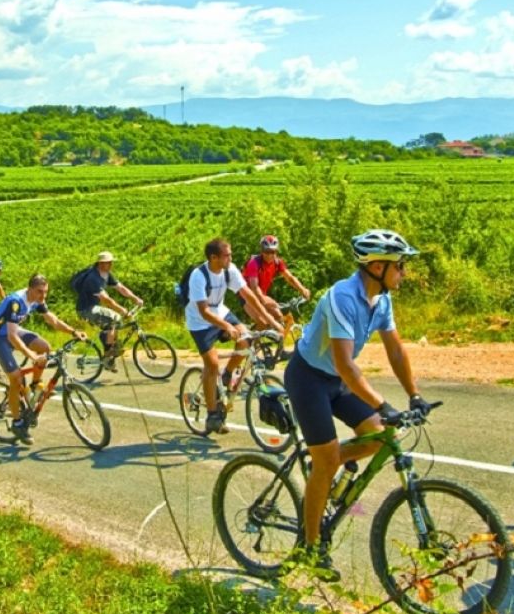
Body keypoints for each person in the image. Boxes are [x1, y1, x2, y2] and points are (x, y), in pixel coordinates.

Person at [282, 229, 430, 580]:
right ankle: (311, 546)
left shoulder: (381, 298)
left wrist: (414, 394)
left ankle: (328, 465)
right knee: (328, 459)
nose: (404, 273)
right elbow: (347, 366)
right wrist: (383, 403)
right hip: (308, 379)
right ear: (377, 266)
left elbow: (395, 349)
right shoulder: (342, 298)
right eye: (400, 266)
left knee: (380, 436)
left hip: (336, 381)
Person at [184, 237, 281, 435]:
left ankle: (228, 374)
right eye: (227, 255)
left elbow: (248, 294)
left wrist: (271, 320)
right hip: (200, 321)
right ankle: (212, 415)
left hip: (220, 311)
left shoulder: (230, 269)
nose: (231, 258)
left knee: (245, 340)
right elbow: (203, 311)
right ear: (213, 257)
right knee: (211, 364)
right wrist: (227, 325)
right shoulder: (198, 276)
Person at [0, 274, 88, 445]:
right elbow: (12, 336)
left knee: (44, 347)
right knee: (16, 378)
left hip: (12, 332)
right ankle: (17, 423)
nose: (42, 296)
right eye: (39, 292)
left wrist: (73, 332)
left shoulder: (37, 300)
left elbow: (52, 320)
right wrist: (31, 356)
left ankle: (34, 385)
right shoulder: (15, 302)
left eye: (45, 292)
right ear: (29, 289)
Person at [241, 235, 311, 357]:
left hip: (260, 294)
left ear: (276, 251)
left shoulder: (278, 262)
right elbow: (254, 288)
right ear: (262, 251)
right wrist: (264, 300)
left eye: (273, 252)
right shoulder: (254, 263)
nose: (269, 255)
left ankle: (281, 351)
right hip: (246, 295)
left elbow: (289, 277)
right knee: (262, 320)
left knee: (278, 316)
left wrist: (302, 289)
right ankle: (250, 345)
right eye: (267, 252)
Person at [73, 251, 143, 367]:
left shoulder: (106, 274)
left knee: (114, 324)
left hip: (94, 307)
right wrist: (122, 310)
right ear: (100, 264)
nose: (110, 264)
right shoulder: (93, 278)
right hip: (86, 309)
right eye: (107, 263)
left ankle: (108, 356)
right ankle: (108, 354)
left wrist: (135, 298)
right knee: (115, 317)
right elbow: (107, 300)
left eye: (111, 262)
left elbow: (120, 288)